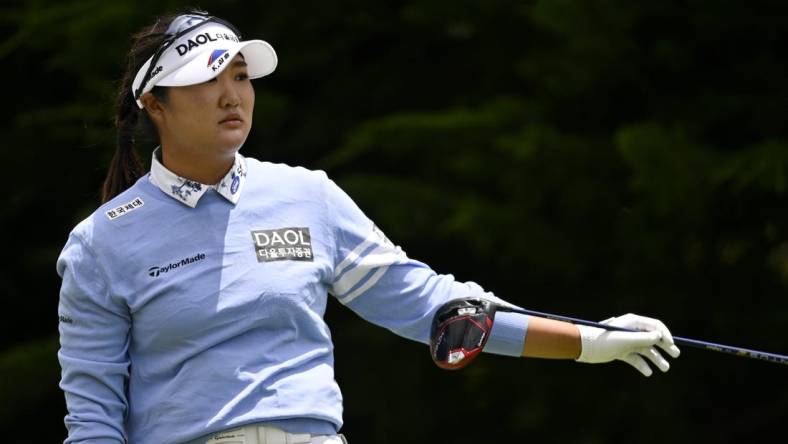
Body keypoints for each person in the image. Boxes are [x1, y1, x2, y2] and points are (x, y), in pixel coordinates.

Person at [56, 9, 681, 444]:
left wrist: (587, 337)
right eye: (206, 82)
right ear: (153, 104)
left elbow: (431, 306)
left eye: (240, 77)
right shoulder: (102, 242)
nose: (231, 97)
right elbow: (94, 416)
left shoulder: (308, 198)